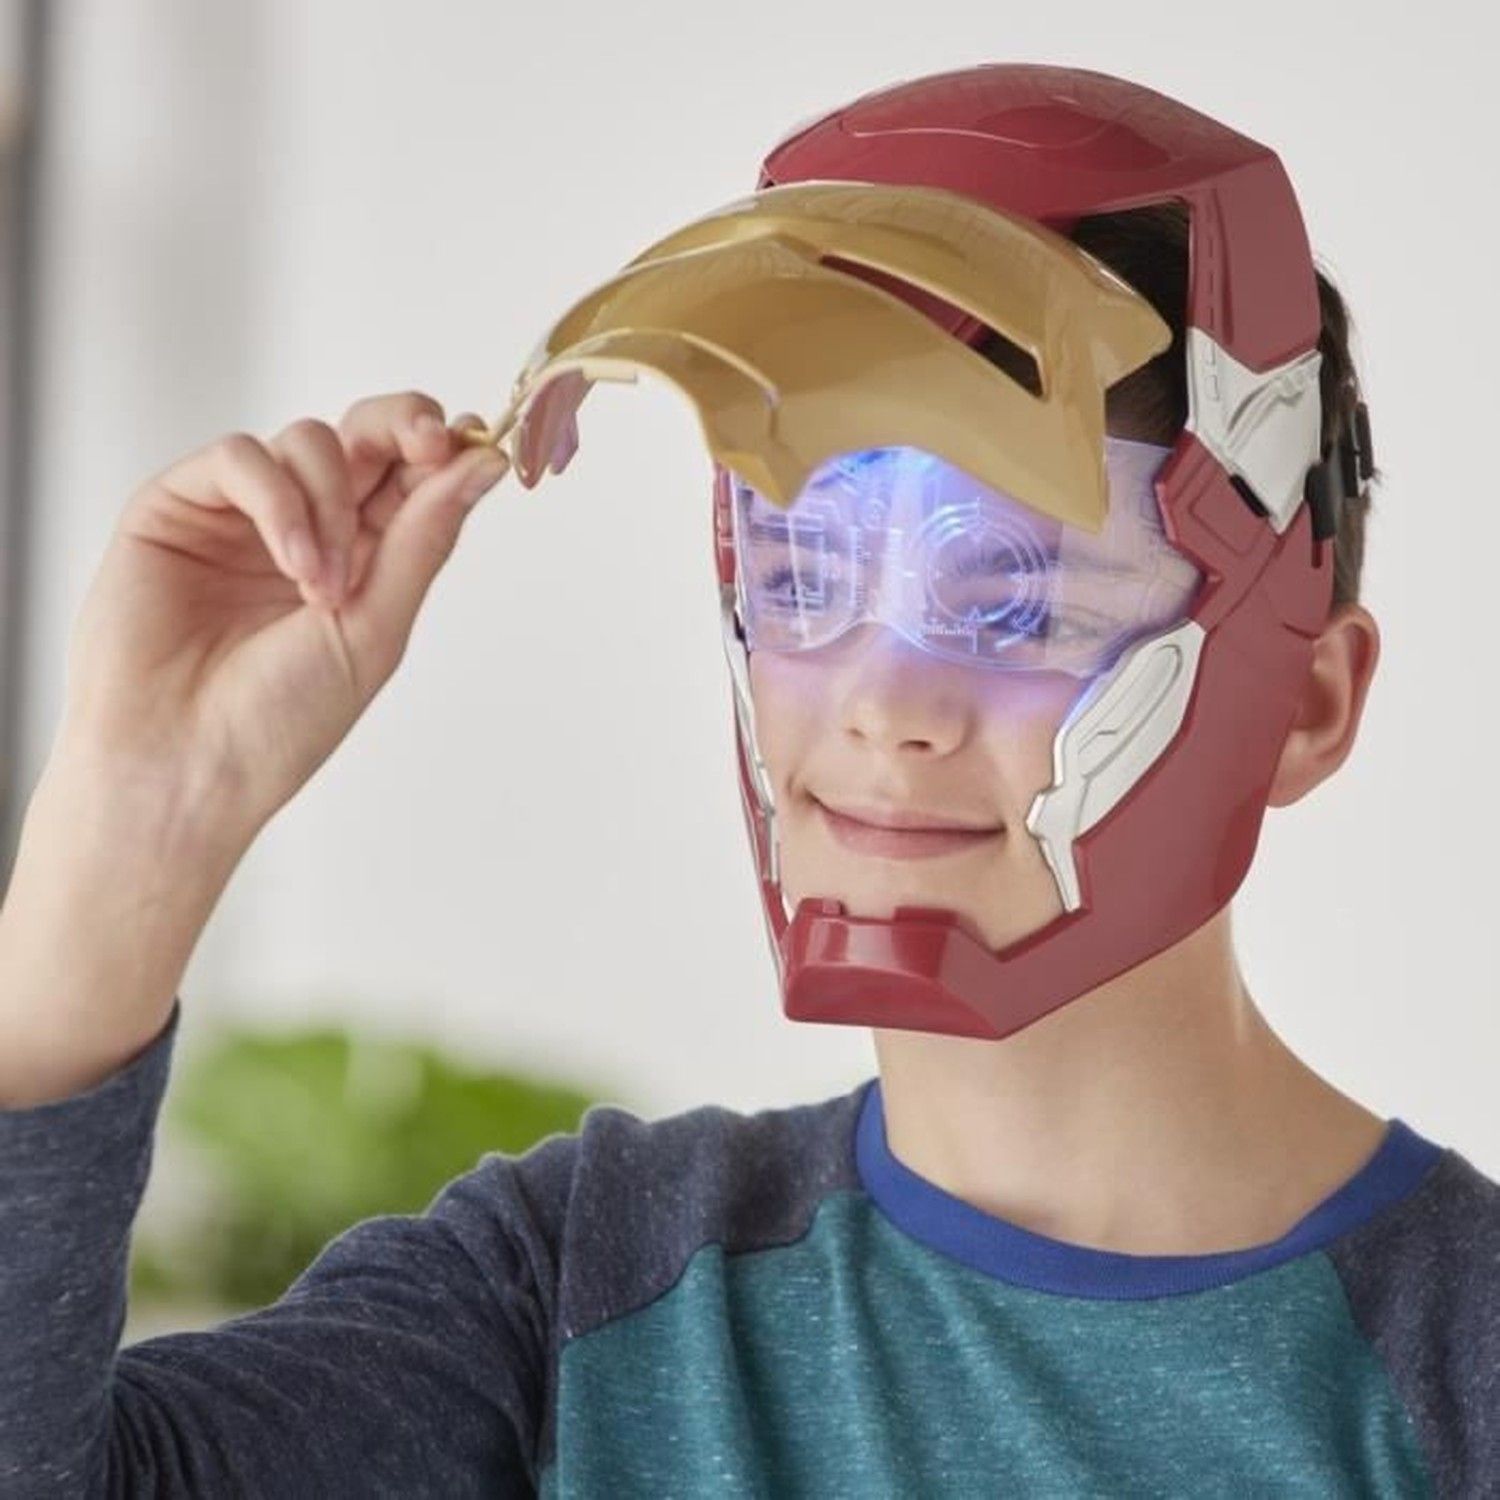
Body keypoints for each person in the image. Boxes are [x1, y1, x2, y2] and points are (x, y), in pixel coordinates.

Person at [1, 63, 1495, 1499]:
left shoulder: (1464, 1364)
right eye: (807, 576)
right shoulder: (573, 1298)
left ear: (1305, 706)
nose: (882, 706)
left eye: (1015, 601)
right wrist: (139, 814)